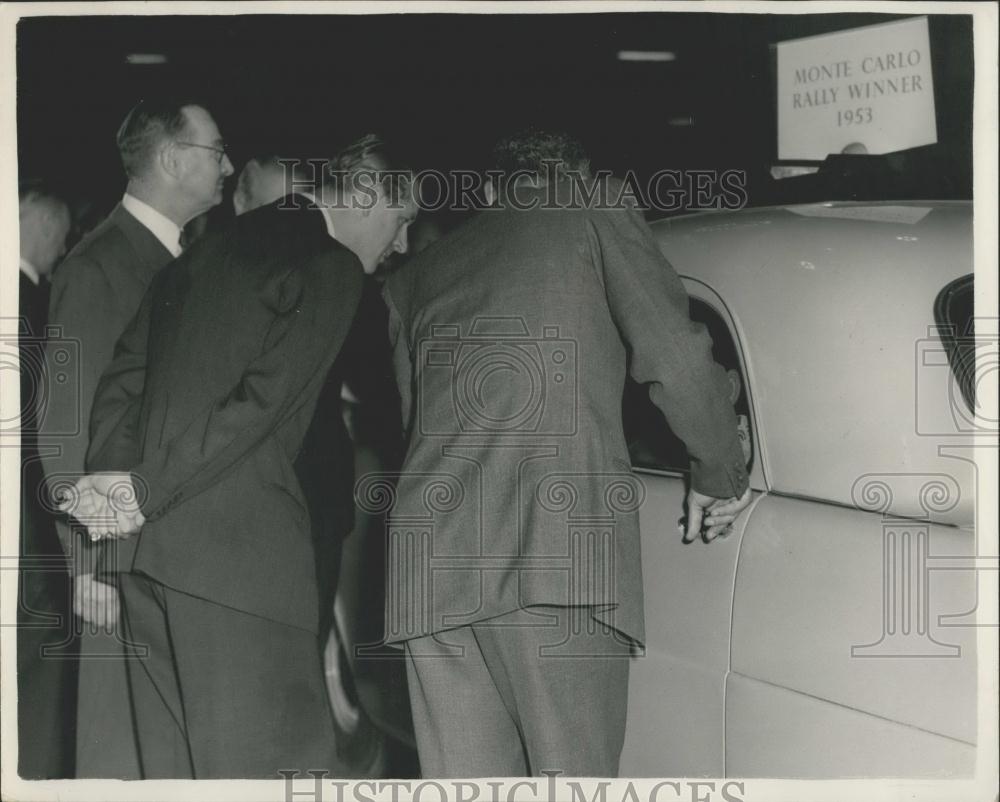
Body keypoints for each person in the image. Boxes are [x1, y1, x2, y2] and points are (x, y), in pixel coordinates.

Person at [380, 130, 752, 777]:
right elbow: (680, 359)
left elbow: (416, 425)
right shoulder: (591, 207)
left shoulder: (412, 279)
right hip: (553, 559)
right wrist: (719, 471)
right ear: (576, 176)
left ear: (492, 191)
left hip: (429, 570)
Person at [60, 137, 416, 778]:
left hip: (147, 567)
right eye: (403, 220)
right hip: (240, 577)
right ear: (366, 197)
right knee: (278, 777)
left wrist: (117, 489)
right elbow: (261, 406)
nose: (403, 245)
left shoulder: (206, 248)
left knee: (176, 777)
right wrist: (139, 491)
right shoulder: (329, 265)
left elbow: (124, 379)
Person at [39, 97, 233, 778]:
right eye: (217, 151)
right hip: (116, 561)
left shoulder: (175, 259)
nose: (229, 166)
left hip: (164, 555)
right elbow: (64, 427)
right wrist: (86, 564)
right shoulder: (100, 268)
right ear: (174, 159)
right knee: (119, 751)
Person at [17, 184, 75, 779]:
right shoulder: (34, 306)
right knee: (36, 642)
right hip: (24, 517)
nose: (61, 250)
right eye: (59, 236)